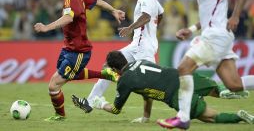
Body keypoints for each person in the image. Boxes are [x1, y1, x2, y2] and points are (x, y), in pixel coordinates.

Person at [162, 0, 254, 129]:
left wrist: (235, 16)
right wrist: (190, 29)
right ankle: (183, 117)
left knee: (183, 68)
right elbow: (208, 16)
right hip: (216, 35)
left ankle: (183, 117)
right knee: (234, 85)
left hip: (215, 37)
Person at [72, 0, 164, 123]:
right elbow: (160, 13)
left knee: (148, 85)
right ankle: (91, 100)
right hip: (137, 44)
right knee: (109, 63)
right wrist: (151, 32)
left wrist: (130, 28)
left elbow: (147, 17)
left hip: (143, 48)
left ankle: (146, 117)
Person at [34, 0, 125, 121]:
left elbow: (68, 18)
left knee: (53, 85)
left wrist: (46, 27)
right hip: (69, 48)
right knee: (71, 74)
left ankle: (60, 116)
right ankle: (107, 74)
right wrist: (113, 10)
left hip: (78, 51)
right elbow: (98, 2)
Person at [73, 51, 254, 126]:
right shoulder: (140, 62)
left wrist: (100, 103)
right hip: (183, 76)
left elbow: (115, 110)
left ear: (114, 69)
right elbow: (146, 94)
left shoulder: (125, 81)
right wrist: (145, 117)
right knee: (217, 88)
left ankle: (239, 116)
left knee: (210, 118)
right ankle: (225, 91)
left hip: (177, 95)